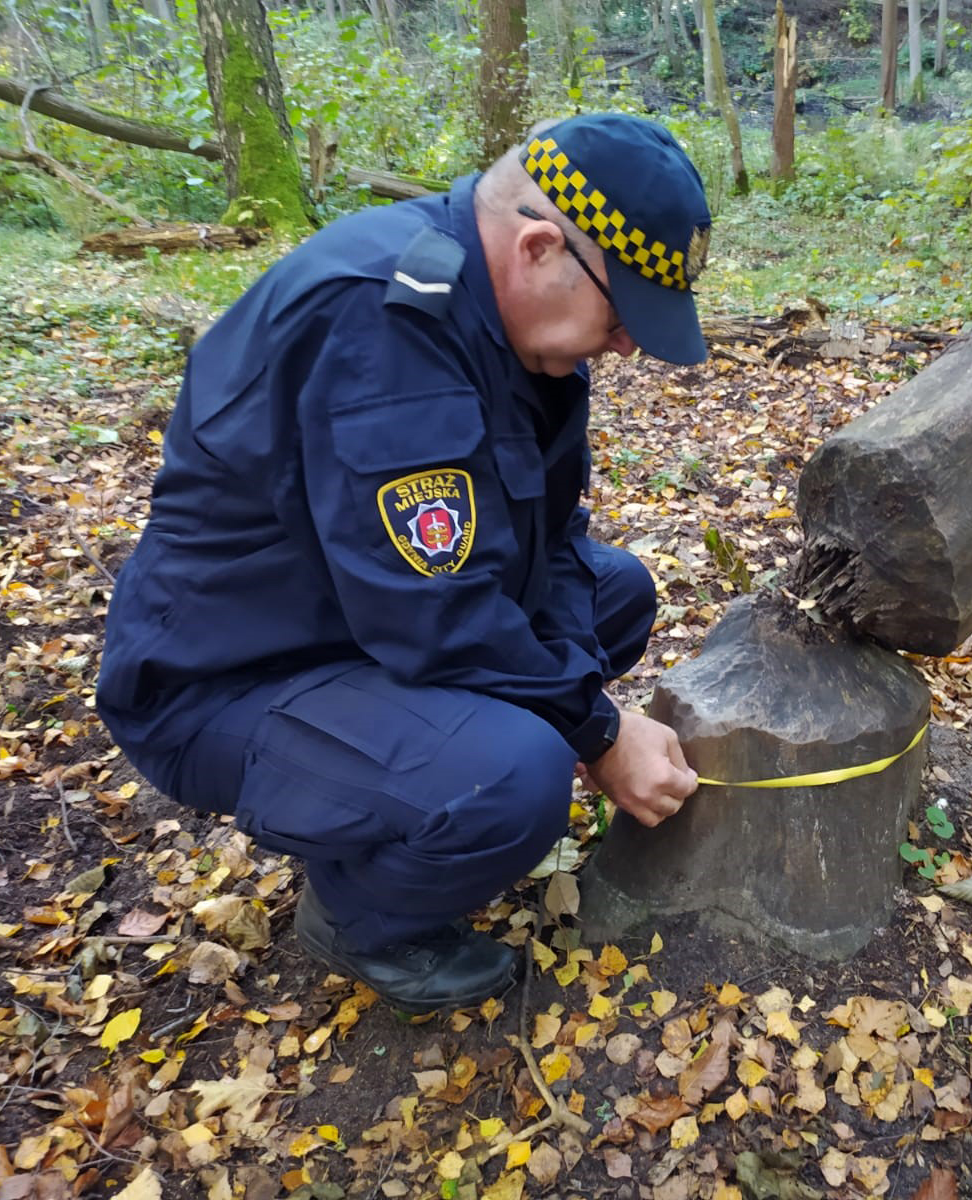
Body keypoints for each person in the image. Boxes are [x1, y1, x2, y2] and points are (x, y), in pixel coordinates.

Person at [97, 114, 706, 1015]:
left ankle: (401, 773)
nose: (624, 345)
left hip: (357, 619)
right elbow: (436, 610)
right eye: (621, 315)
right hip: (229, 675)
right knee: (514, 774)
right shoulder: (381, 325)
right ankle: (359, 917)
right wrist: (598, 733)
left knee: (614, 595)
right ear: (541, 247)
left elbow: (555, 536)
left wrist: (580, 694)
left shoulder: (515, 324)